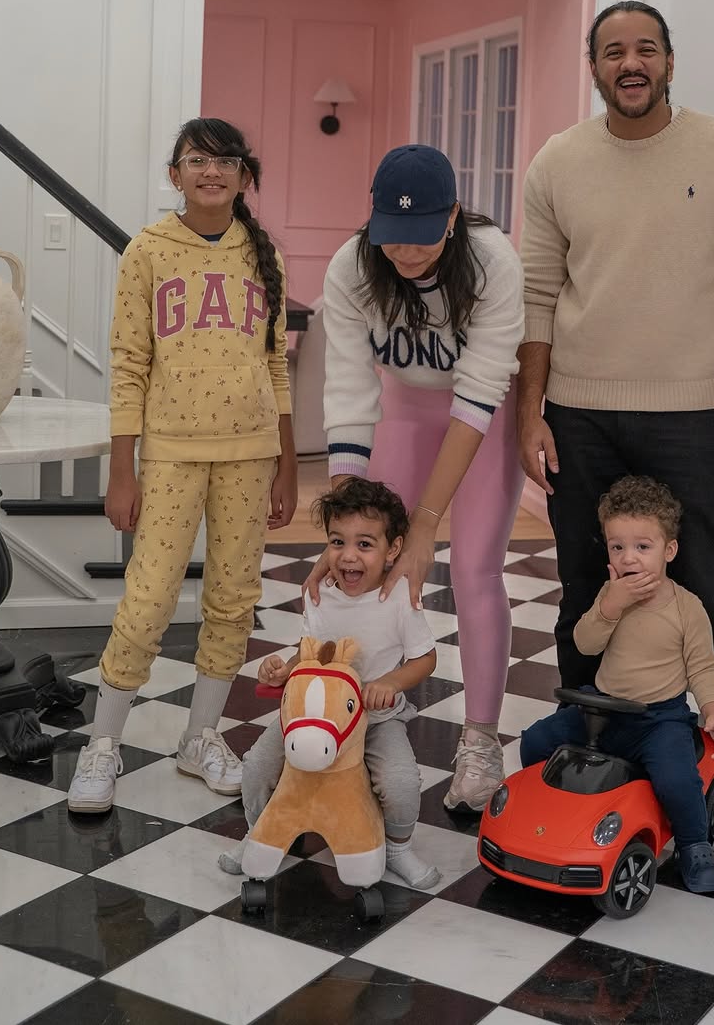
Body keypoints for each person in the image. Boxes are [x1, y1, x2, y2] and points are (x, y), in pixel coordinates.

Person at [517, 0, 714, 874]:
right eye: (612, 51)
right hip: (578, 414)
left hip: (689, 415)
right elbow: (536, 294)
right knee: (586, 592)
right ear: (595, 67)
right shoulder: (559, 162)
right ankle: (597, 757)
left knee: (707, 596)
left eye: (644, 49)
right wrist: (531, 410)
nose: (629, 63)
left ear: (669, 60)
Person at [67, 118, 297, 813]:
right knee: (149, 599)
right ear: (176, 174)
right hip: (170, 452)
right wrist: (122, 468)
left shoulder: (264, 254)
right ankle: (103, 744)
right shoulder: (147, 250)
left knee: (233, 597)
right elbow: (129, 364)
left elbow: (275, 363)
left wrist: (289, 461)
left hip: (251, 451)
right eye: (197, 160)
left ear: (244, 175)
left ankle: (201, 737)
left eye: (225, 161)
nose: (211, 171)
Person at [306, 144, 525, 813]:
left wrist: (428, 524)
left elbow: (479, 395)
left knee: (474, 569)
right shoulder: (351, 266)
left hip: (482, 417)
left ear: (453, 216)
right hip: (404, 406)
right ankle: (365, 718)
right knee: (374, 564)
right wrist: (342, 531)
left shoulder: (492, 261)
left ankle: (481, 741)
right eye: (392, 236)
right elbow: (349, 390)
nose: (405, 252)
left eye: (422, 235)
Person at [220, 478, 440, 889]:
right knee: (257, 765)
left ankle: (398, 846)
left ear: (393, 549)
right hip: (315, 714)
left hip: (376, 718)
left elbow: (426, 658)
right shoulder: (319, 593)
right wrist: (286, 668)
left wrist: (390, 682)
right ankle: (258, 831)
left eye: (365, 544)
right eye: (338, 542)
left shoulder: (399, 597)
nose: (348, 555)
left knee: (401, 782)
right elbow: (312, 653)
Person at [520, 477, 714, 893]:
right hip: (600, 710)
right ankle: (547, 817)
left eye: (642, 547)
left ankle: (694, 846)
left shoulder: (687, 608)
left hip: (658, 720)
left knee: (677, 780)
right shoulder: (610, 594)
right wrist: (611, 606)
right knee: (535, 742)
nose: (629, 557)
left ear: (669, 551)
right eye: (617, 547)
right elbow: (585, 643)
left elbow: (704, 667)